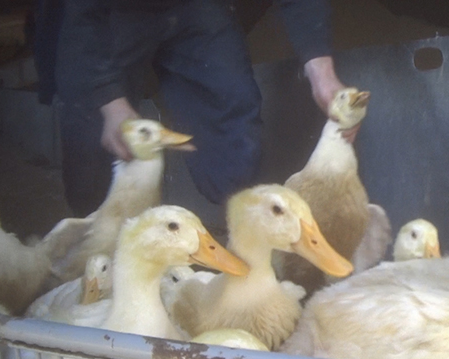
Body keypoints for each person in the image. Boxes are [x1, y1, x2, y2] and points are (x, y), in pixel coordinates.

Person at [33, 0, 350, 217]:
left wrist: (322, 74)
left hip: (194, 7)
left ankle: (245, 232)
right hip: (104, 11)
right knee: (95, 134)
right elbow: (79, 16)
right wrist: (110, 103)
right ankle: (95, 252)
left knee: (233, 103)